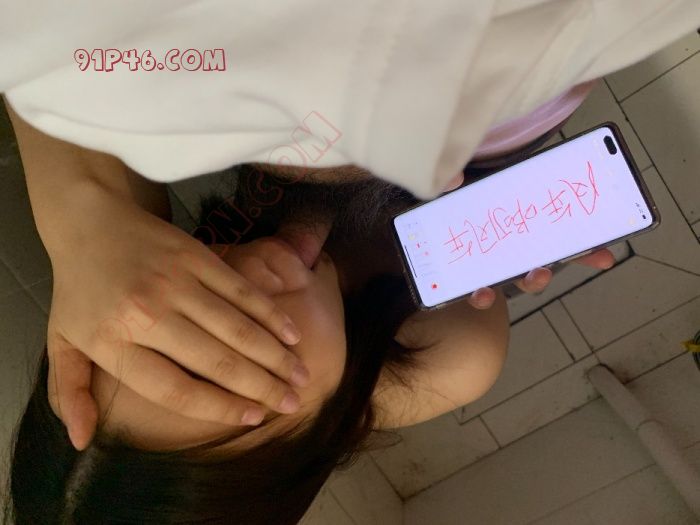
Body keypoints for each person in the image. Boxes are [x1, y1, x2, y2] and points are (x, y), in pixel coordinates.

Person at [3, 166, 513, 524]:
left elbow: (70, 49)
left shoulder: (124, 261)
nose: (246, 272)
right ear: (318, 440)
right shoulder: (446, 358)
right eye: (245, 362)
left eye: (181, 322)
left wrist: (80, 224)